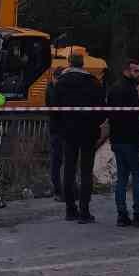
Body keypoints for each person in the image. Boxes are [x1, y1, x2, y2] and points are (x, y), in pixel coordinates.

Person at [52, 53, 105, 223]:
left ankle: (70, 209)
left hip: (68, 132)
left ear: (69, 63)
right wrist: (95, 124)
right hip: (88, 131)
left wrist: (61, 127)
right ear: (83, 64)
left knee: (68, 169)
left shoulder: (60, 83)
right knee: (86, 171)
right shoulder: (93, 82)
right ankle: (84, 210)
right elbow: (101, 109)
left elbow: (54, 110)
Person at [106, 58, 139, 227]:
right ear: (126, 71)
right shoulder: (131, 91)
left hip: (118, 141)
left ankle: (122, 215)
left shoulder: (112, 90)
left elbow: (110, 117)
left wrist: (112, 139)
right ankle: (138, 212)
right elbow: (136, 120)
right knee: (138, 178)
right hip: (131, 142)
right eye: (136, 71)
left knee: (122, 179)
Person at [46, 66, 67, 201]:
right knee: (57, 160)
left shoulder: (52, 88)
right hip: (58, 129)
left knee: (60, 160)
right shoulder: (53, 90)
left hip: (60, 128)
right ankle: (59, 190)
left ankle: (62, 189)